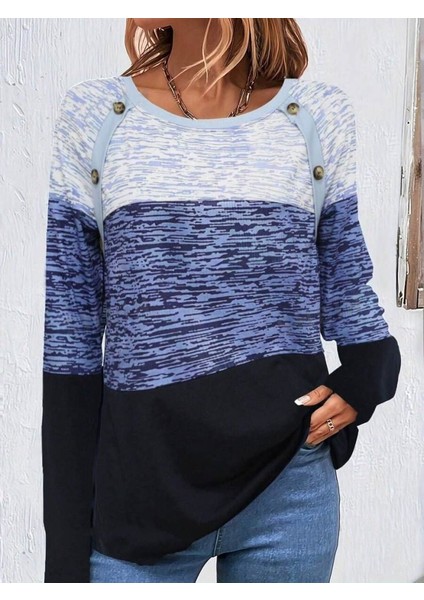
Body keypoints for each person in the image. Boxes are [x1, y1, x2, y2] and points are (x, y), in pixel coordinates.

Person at [41, 18, 401, 583]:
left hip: (289, 486)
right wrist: (64, 550)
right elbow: (70, 330)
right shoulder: (97, 114)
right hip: (142, 492)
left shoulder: (314, 115)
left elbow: (343, 271)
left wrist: (371, 369)